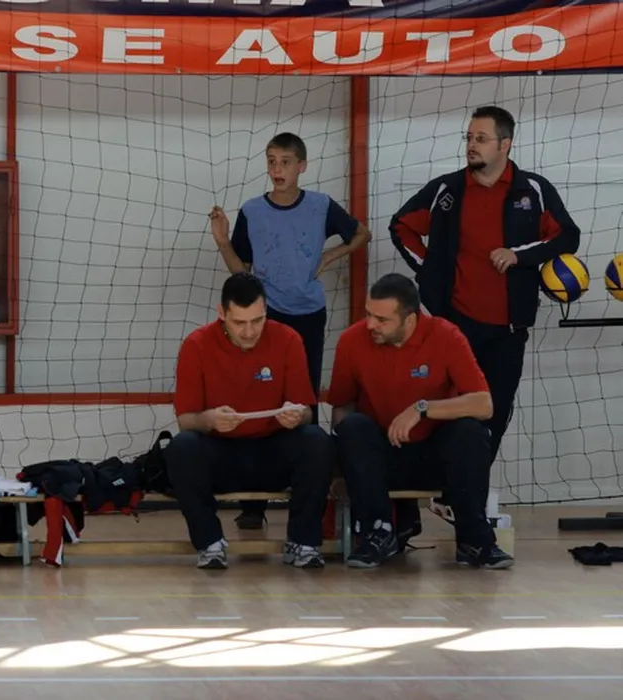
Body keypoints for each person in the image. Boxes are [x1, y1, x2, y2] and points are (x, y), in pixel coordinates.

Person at [389, 105, 581, 530]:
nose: (471, 146)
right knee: (438, 413)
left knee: (492, 417)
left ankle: (460, 501)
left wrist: (519, 255)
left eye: (481, 138)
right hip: (455, 327)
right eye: (469, 138)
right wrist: (429, 272)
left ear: (505, 144)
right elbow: (400, 226)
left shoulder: (533, 189)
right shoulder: (448, 190)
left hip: (508, 330)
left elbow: (568, 236)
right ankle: (416, 507)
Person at [209, 132, 371, 530]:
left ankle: (308, 501)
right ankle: (253, 503)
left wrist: (332, 254)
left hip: (308, 315)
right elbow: (242, 271)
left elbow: (361, 233)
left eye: (285, 162)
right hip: (268, 314)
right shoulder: (252, 210)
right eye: (271, 161)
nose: (277, 169)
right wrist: (223, 241)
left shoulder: (320, 205)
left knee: (303, 402)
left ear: (302, 166)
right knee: (257, 396)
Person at [327, 272, 514, 570]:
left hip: (433, 456)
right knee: (351, 428)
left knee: (471, 431)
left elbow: (484, 404)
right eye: (368, 315)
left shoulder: (446, 336)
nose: (371, 325)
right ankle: (378, 533)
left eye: (382, 319)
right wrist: (343, 460)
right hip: (382, 457)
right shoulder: (352, 340)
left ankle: (475, 539)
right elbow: (342, 408)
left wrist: (422, 408)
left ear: (410, 320)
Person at [166, 272, 335, 570]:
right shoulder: (196, 344)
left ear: (266, 310)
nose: (249, 331)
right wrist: (209, 420)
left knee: (316, 441)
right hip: (221, 454)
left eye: (257, 321)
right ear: (222, 313)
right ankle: (209, 543)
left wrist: (296, 415)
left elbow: (308, 412)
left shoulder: (288, 339)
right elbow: (186, 420)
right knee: (182, 447)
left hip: (272, 452)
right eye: (239, 322)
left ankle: (303, 542)